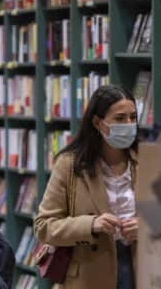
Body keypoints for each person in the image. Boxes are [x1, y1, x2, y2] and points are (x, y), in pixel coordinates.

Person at [34, 85, 139, 289]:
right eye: (119, 118)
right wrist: (90, 224)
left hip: (137, 269)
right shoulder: (70, 165)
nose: (128, 124)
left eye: (133, 117)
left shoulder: (146, 160)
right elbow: (43, 227)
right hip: (88, 276)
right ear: (98, 123)